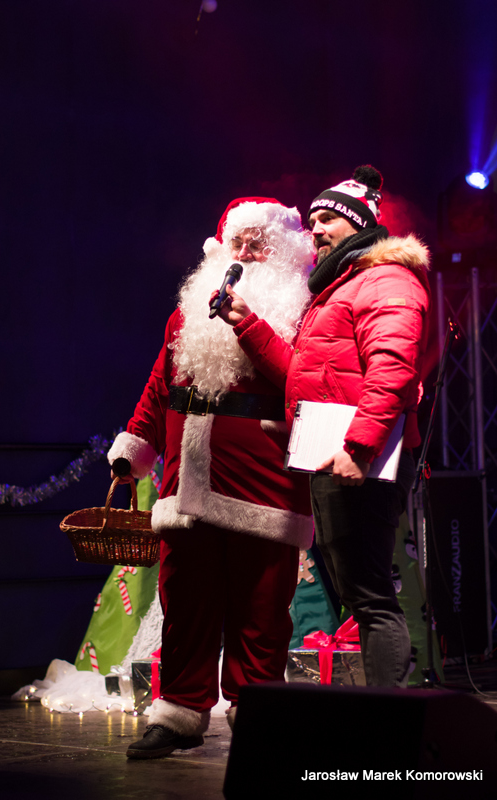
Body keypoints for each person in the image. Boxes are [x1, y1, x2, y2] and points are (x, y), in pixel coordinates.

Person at [108, 197, 315, 758]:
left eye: (258, 244)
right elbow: (160, 385)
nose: (245, 253)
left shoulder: (302, 313)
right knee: (185, 605)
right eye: (237, 242)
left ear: (283, 252)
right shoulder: (188, 310)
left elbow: (302, 382)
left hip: (262, 484)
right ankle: (178, 713)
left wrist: (249, 324)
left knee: (260, 612)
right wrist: (135, 446)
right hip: (187, 482)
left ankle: (258, 712)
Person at [221, 166, 431, 688]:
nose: (314, 228)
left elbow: (392, 369)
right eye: (311, 219)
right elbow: (306, 373)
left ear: (360, 224)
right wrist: (247, 323)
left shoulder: (387, 280)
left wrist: (360, 447)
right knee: (359, 593)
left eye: (326, 219)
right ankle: (382, 711)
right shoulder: (342, 287)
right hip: (332, 453)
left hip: (357, 457)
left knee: (371, 598)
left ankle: (390, 718)